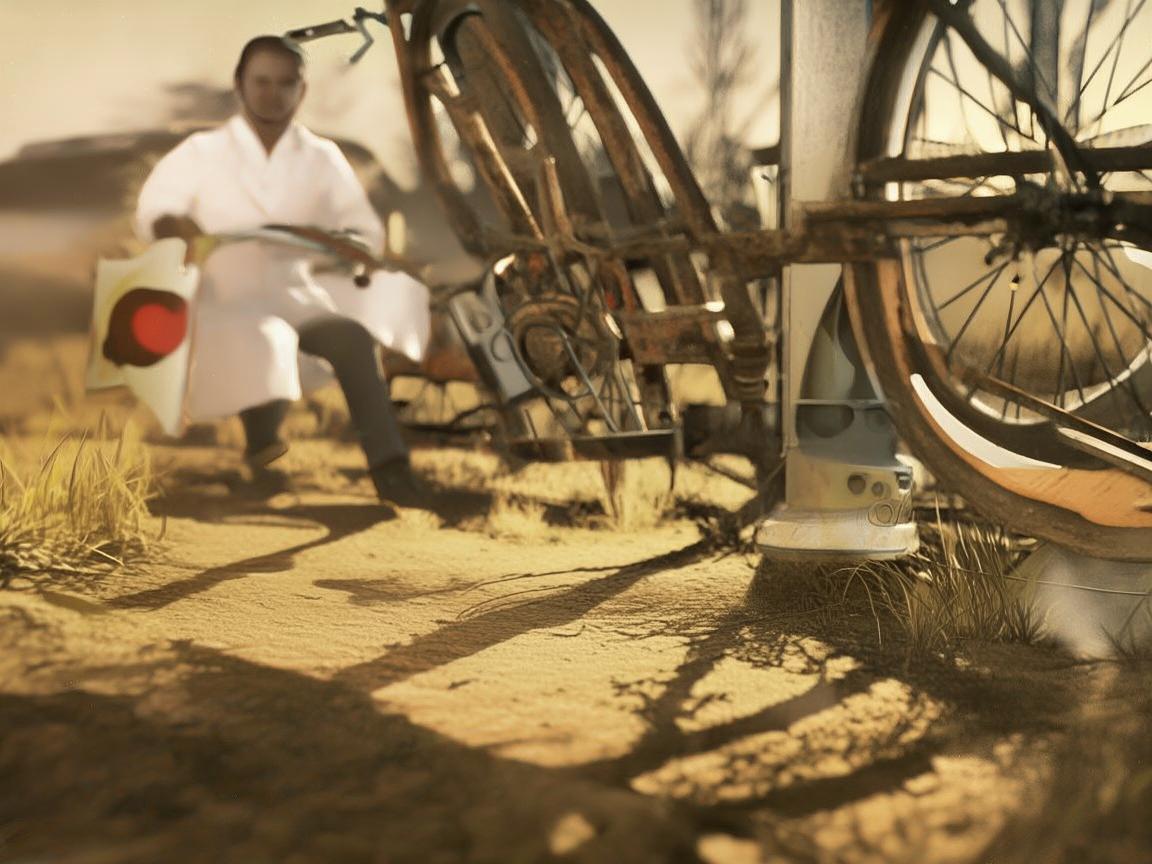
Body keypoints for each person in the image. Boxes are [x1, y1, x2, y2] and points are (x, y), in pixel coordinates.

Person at [134, 34, 424, 504]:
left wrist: (341, 243)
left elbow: (362, 229)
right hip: (223, 293)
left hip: (297, 291)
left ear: (301, 91)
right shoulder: (202, 152)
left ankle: (391, 470)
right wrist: (178, 229)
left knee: (350, 339)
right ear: (240, 85)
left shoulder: (321, 157)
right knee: (262, 339)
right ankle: (261, 452)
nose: (273, 93)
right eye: (261, 81)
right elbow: (155, 208)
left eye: (285, 83)